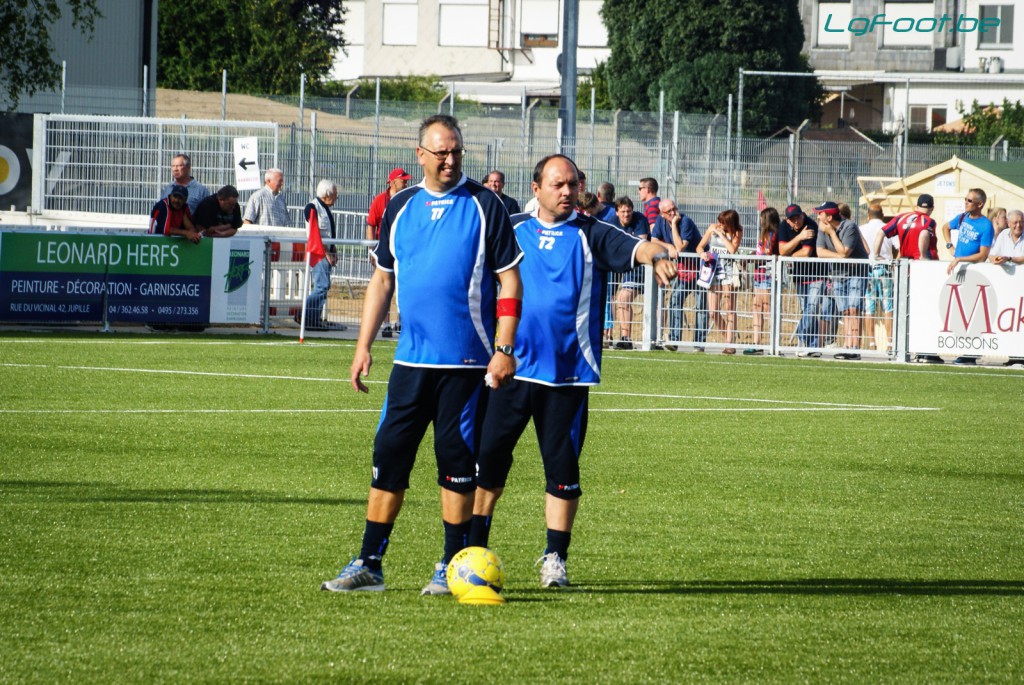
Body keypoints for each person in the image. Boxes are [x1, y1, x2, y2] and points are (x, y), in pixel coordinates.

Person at [321, 114, 523, 595]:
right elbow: (382, 280)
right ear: (420, 155)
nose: (450, 160)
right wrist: (363, 345)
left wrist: (504, 348)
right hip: (410, 364)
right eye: (441, 152)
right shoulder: (401, 207)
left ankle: (451, 566)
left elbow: (510, 280)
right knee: (389, 456)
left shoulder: (485, 205)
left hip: (467, 365)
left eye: (456, 151)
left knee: (454, 461)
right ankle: (369, 563)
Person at [469, 154, 677, 587]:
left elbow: (635, 246)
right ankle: (474, 549)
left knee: (562, 470)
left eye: (573, 185)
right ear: (536, 188)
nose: (567, 192)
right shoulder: (511, 229)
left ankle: (555, 560)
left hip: (567, 375)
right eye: (557, 184)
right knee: (487, 465)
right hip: (509, 370)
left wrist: (655, 252)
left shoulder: (592, 233)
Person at [942, 188, 995, 365]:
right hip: (958, 270)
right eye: (965, 199)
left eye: (970, 201)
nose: (966, 203)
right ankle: (963, 350)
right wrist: (950, 246)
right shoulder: (962, 217)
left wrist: (959, 258)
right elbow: (945, 227)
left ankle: (970, 352)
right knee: (957, 312)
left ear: (980, 204)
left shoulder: (986, 225)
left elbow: (982, 255)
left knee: (972, 313)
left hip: (975, 272)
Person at [815, 201, 869, 360]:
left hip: (856, 274)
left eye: (820, 214)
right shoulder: (822, 228)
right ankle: (847, 345)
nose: (818, 216)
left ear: (829, 217)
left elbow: (845, 251)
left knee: (854, 309)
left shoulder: (850, 227)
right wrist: (840, 257)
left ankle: (855, 347)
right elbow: (820, 252)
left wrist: (832, 233)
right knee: (845, 310)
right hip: (838, 274)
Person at [366, 168, 412, 338]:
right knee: (383, 287)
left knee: (403, 286)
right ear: (393, 182)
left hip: (403, 250)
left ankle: (400, 322)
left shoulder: (408, 198)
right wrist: (372, 250)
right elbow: (371, 224)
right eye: (403, 180)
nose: (406, 182)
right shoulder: (380, 200)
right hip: (385, 250)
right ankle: (385, 324)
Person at [651, 198, 702, 347]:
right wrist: (668, 246)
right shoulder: (660, 222)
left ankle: (699, 344)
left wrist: (673, 224)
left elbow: (680, 248)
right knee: (674, 301)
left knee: (700, 307)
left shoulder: (685, 222)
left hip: (699, 269)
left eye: (674, 209)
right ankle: (674, 340)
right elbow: (653, 240)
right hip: (683, 271)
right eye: (669, 212)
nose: (673, 213)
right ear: (661, 214)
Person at [696, 209, 743, 354]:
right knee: (713, 311)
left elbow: (732, 249)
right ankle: (727, 337)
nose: (720, 224)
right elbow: (699, 246)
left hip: (729, 274)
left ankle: (729, 343)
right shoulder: (712, 228)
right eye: (719, 221)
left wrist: (722, 235)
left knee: (730, 308)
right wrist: (702, 253)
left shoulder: (737, 232)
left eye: (723, 222)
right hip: (714, 273)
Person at [778, 204, 822, 356]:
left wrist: (788, 254)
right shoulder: (784, 226)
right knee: (807, 310)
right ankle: (813, 346)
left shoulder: (811, 225)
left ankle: (802, 337)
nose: (796, 221)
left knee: (811, 307)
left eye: (798, 217)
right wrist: (799, 237)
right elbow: (782, 250)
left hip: (817, 275)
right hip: (799, 276)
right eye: (792, 219)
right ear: (787, 220)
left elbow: (806, 253)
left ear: (803, 214)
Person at [301, 180, 343, 330]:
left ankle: (312, 318)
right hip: (319, 254)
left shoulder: (324, 208)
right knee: (321, 286)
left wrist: (333, 249)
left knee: (323, 286)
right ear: (327, 194)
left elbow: (328, 233)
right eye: (335, 195)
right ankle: (305, 316)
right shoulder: (313, 207)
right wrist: (327, 252)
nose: (336, 198)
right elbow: (315, 232)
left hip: (325, 253)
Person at [610, 196, 651, 349]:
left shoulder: (640, 219)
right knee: (623, 299)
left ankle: (658, 338)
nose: (626, 214)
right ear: (616, 212)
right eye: (623, 211)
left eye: (629, 211)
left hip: (647, 266)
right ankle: (626, 337)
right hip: (631, 269)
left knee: (656, 304)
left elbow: (640, 243)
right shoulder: (612, 223)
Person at [861, 203, 897, 355]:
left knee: (869, 307)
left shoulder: (861, 229)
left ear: (868, 215)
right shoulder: (889, 228)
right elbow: (899, 247)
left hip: (868, 270)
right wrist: (896, 262)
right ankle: (889, 342)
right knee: (888, 307)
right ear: (882, 215)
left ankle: (871, 342)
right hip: (885, 269)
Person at [745, 207, 779, 355]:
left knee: (768, 309)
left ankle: (773, 343)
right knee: (757, 308)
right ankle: (756, 342)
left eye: (761, 217)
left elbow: (767, 253)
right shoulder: (763, 235)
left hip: (767, 276)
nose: (759, 220)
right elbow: (760, 252)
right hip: (758, 276)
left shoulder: (772, 235)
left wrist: (752, 258)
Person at [875, 194, 937, 261]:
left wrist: (876, 255)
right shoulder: (929, 221)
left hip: (904, 262)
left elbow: (880, 233)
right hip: (921, 263)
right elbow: (924, 234)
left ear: (917, 206)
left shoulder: (901, 217)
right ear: (932, 208)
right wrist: (923, 256)